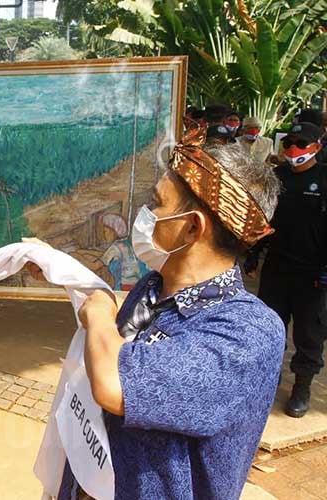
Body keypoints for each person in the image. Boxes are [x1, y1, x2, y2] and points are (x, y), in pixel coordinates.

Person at [50, 130, 284, 499]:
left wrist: (100, 313)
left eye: (157, 203)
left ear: (193, 227)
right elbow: (109, 349)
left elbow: (115, 386)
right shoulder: (153, 288)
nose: (146, 214)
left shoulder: (248, 332)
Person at [246, 122, 326, 418]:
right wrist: (253, 256)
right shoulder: (277, 177)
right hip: (277, 268)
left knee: (309, 333)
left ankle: (302, 387)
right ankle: (269, 380)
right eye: (289, 143)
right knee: (270, 327)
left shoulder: (324, 179)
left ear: (317, 147)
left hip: (313, 275)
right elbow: (262, 220)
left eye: (301, 144)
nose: (293, 149)